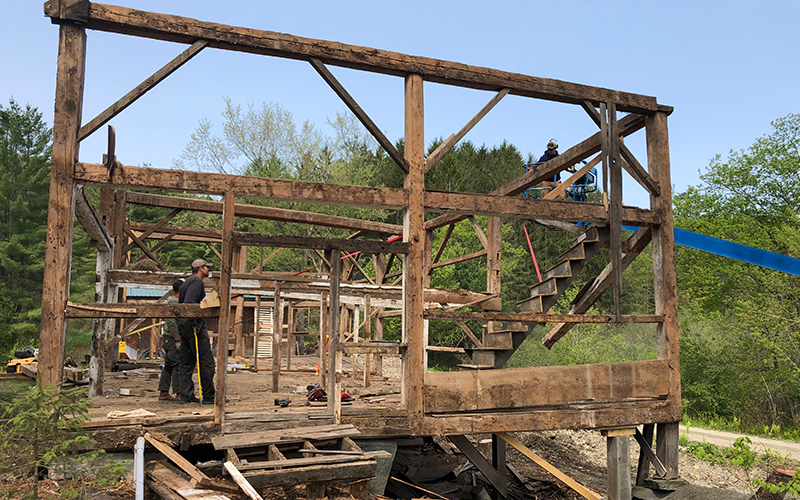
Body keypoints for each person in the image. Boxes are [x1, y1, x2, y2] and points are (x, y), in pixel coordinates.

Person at [178, 259, 216, 404]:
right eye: (206, 267)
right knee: (206, 361)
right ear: (200, 268)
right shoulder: (197, 282)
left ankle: (186, 395)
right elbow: (189, 303)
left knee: (186, 362)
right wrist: (194, 323)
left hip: (184, 324)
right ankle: (209, 396)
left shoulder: (187, 282)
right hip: (192, 324)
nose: (208, 269)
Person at [157, 279, 183, 401]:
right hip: (171, 339)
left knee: (168, 365)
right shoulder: (173, 301)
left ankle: (164, 391)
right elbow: (171, 322)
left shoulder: (177, 301)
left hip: (169, 338)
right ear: (180, 288)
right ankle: (179, 393)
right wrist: (177, 339)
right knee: (177, 364)